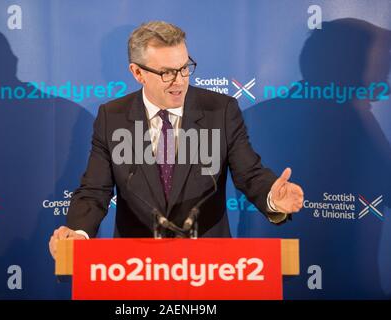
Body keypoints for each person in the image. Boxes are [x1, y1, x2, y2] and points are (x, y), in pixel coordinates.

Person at [49, 21, 304, 259]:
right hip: (136, 268)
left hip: (210, 265)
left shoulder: (221, 110)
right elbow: (95, 191)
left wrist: (272, 197)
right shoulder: (112, 117)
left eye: (184, 68)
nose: (179, 82)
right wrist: (78, 234)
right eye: (167, 73)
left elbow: (249, 174)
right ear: (137, 73)